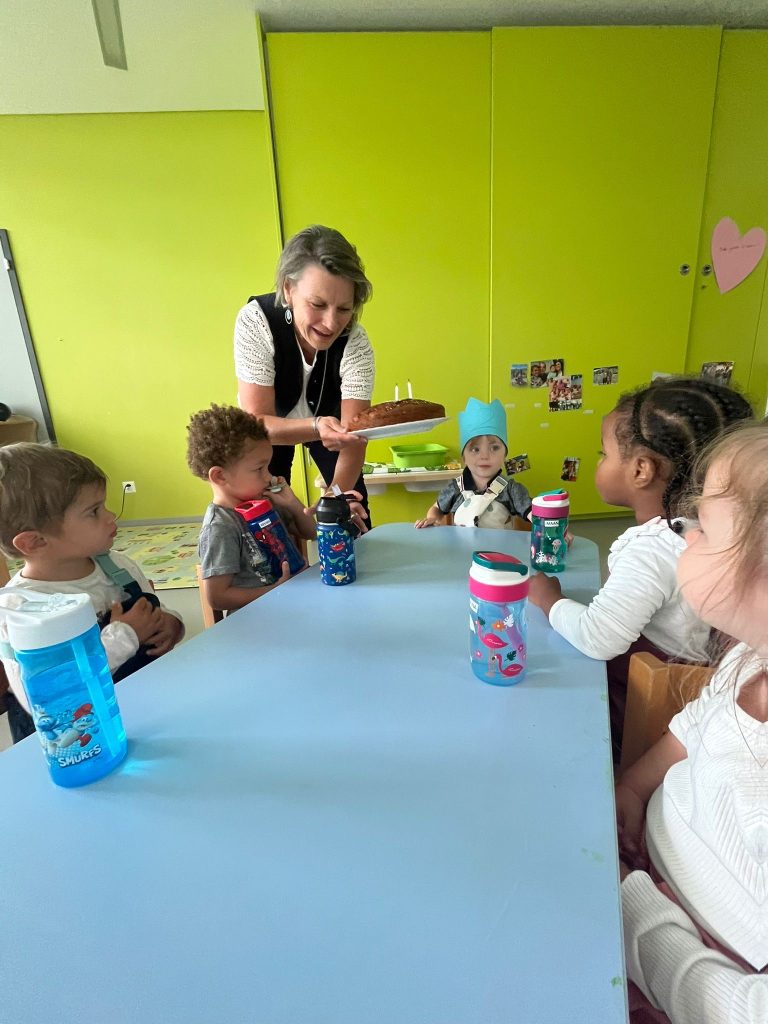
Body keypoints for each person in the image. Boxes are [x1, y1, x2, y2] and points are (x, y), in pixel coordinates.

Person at [618, 420, 768, 1023]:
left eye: (703, 526)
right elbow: (697, 726)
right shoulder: (750, 654)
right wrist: (633, 787)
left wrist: (630, 908)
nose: (686, 535)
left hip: (684, 971)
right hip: (648, 872)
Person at [528, 376, 754, 761]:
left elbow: (599, 638)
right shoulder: (704, 532)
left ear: (641, 470)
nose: (600, 462)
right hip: (686, 694)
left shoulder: (653, 550)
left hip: (638, 709)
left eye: (603, 454)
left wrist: (549, 600)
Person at [0, 444, 184, 744]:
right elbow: (42, 700)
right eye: (94, 511)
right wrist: (124, 635)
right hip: (77, 741)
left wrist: (171, 625)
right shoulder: (19, 608)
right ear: (35, 542)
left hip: (144, 711)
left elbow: (159, 612)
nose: (111, 516)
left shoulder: (117, 567)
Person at [234, 225, 374, 522]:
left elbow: (353, 438)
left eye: (344, 309)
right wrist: (316, 425)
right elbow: (257, 422)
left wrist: (333, 501)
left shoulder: (357, 343)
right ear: (288, 289)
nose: (331, 323)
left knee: (352, 511)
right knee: (269, 518)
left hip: (334, 429)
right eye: (317, 304)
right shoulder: (256, 321)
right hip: (269, 428)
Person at [186, 404, 315, 614]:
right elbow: (217, 597)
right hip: (258, 619)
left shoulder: (265, 503)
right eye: (259, 469)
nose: (268, 476)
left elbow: (312, 532)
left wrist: (291, 501)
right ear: (220, 476)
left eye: (267, 467)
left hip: (293, 604)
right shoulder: (220, 527)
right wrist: (276, 590)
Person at [414, 398, 532, 529]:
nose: (484, 456)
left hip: (500, 543)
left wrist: (543, 519)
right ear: (464, 457)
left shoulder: (512, 489)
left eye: (494, 448)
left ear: (505, 455)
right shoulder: (455, 487)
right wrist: (432, 519)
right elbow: (436, 508)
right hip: (461, 543)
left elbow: (533, 512)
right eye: (475, 449)